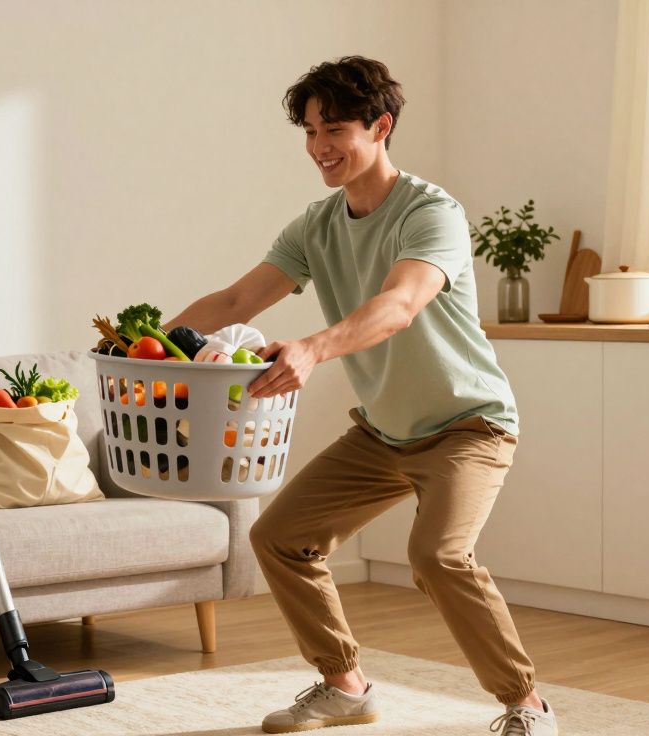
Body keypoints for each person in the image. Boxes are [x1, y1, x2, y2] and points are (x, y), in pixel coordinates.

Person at [164, 55, 554, 736]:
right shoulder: (316, 225)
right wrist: (139, 342)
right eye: (311, 131)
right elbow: (233, 302)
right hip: (383, 432)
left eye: (335, 129)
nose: (319, 146)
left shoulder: (432, 213)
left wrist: (312, 348)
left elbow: (399, 305)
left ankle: (528, 705)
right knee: (280, 537)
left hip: (468, 426)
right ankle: (345, 688)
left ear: (381, 126)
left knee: (437, 557)